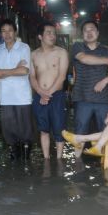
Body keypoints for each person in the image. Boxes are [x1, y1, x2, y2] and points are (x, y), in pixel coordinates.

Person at [71, 20, 108, 157]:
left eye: (92, 29)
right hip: (82, 98)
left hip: (103, 99)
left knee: (106, 130)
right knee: (79, 132)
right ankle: (77, 162)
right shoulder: (77, 47)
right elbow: (84, 59)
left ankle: (105, 163)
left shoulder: (106, 50)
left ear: (98, 33)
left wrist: (105, 80)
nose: (89, 33)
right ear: (82, 34)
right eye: (86, 30)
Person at [0, 19, 33, 160]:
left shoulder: (24, 47)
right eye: (3, 31)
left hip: (22, 95)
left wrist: (3, 72)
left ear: (15, 32)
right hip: (5, 95)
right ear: (1, 34)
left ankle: (26, 155)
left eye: (10, 30)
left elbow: (24, 71)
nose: (7, 34)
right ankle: (14, 152)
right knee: (9, 127)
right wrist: (15, 69)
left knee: (24, 127)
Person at [30, 22, 69, 159]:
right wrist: (41, 93)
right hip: (39, 95)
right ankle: (46, 159)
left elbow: (62, 76)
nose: (52, 36)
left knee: (59, 129)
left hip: (57, 95)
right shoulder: (33, 55)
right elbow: (32, 77)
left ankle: (59, 159)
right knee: (43, 130)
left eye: (54, 33)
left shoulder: (61, 52)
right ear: (40, 36)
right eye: (49, 33)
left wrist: (47, 94)